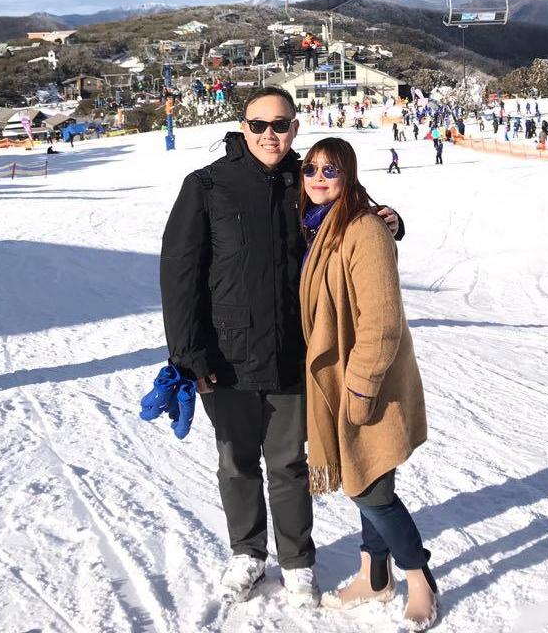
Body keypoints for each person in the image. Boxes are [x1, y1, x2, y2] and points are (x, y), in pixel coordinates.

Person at [160, 87, 404, 606]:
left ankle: (296, 560)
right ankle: (247, 552)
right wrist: (188, 353)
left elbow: (354, 213)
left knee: (290, 463)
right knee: (236, 462)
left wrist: (392, 221)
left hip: (294, 351)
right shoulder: (207, 186)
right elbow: (179, 273)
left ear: (294, 127)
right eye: (258, 125)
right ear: (242, 127)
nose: (269, 135)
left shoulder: (305, 180)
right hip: (224, 356)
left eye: (281, 124)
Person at [298, 138, 436, 629]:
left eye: (329, 170)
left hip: (364, 380)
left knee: (368, 488)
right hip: (339, 379)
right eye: (310, 169)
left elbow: (381, 322)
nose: (318, 178)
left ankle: (418, 576)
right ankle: (373, 575)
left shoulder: (363, 229)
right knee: (368, 471)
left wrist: (360, 386)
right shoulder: (316, 226)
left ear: (348, 176)